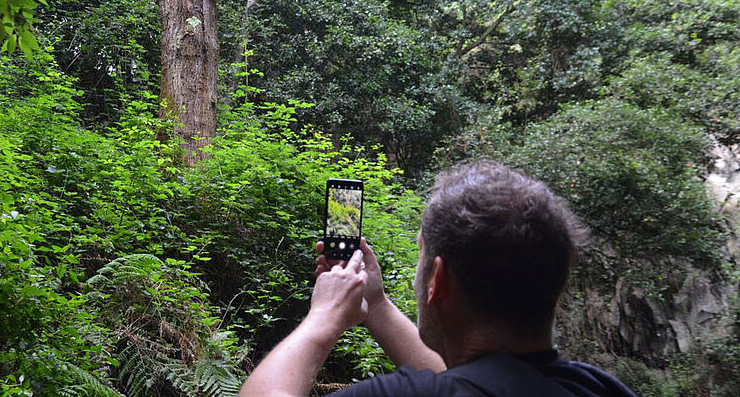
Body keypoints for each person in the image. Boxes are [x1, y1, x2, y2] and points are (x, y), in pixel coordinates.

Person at [238, 160, 639, 397]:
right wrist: (375, 304)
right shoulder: (600, 387)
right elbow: (469, 379)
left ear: (437, 280)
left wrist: (323, 317)